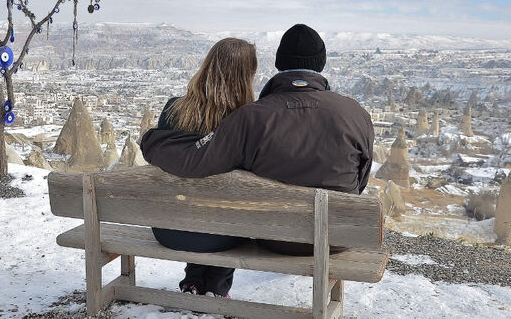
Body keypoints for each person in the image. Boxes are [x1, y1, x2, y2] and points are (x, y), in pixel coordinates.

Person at [141, 24, 374, 260]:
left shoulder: (251, 117)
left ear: (279, 63)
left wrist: (153, 140)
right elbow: (361, 177)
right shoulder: (355, 114)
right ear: (321, 64)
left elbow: (196, 161)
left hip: (276, 237)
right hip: (339, 236)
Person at [149, 37, 259, 298]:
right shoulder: (248, 120)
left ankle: (194, 281)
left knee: (195, 202)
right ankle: (217, 288)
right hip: (222, 236)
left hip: (169, 230)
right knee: (230, 211)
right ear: (246, 76)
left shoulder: (172, 110)